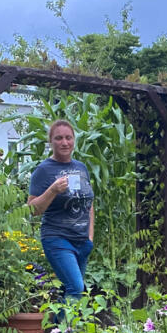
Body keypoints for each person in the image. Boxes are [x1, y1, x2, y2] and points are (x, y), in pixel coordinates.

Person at [28, 119, 95, 304]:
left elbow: (89, 203)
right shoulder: (43, 170)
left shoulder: (81, 167)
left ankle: (59, 331)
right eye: (58, 138)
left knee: (74, 291)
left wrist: (90, 237)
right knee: (76, 288)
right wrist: (53, 190)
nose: (64, 143)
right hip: (57, 239)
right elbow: (32, 209)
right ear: (51, 142)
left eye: (68, 138)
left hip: (82, 241)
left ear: (74, 140)